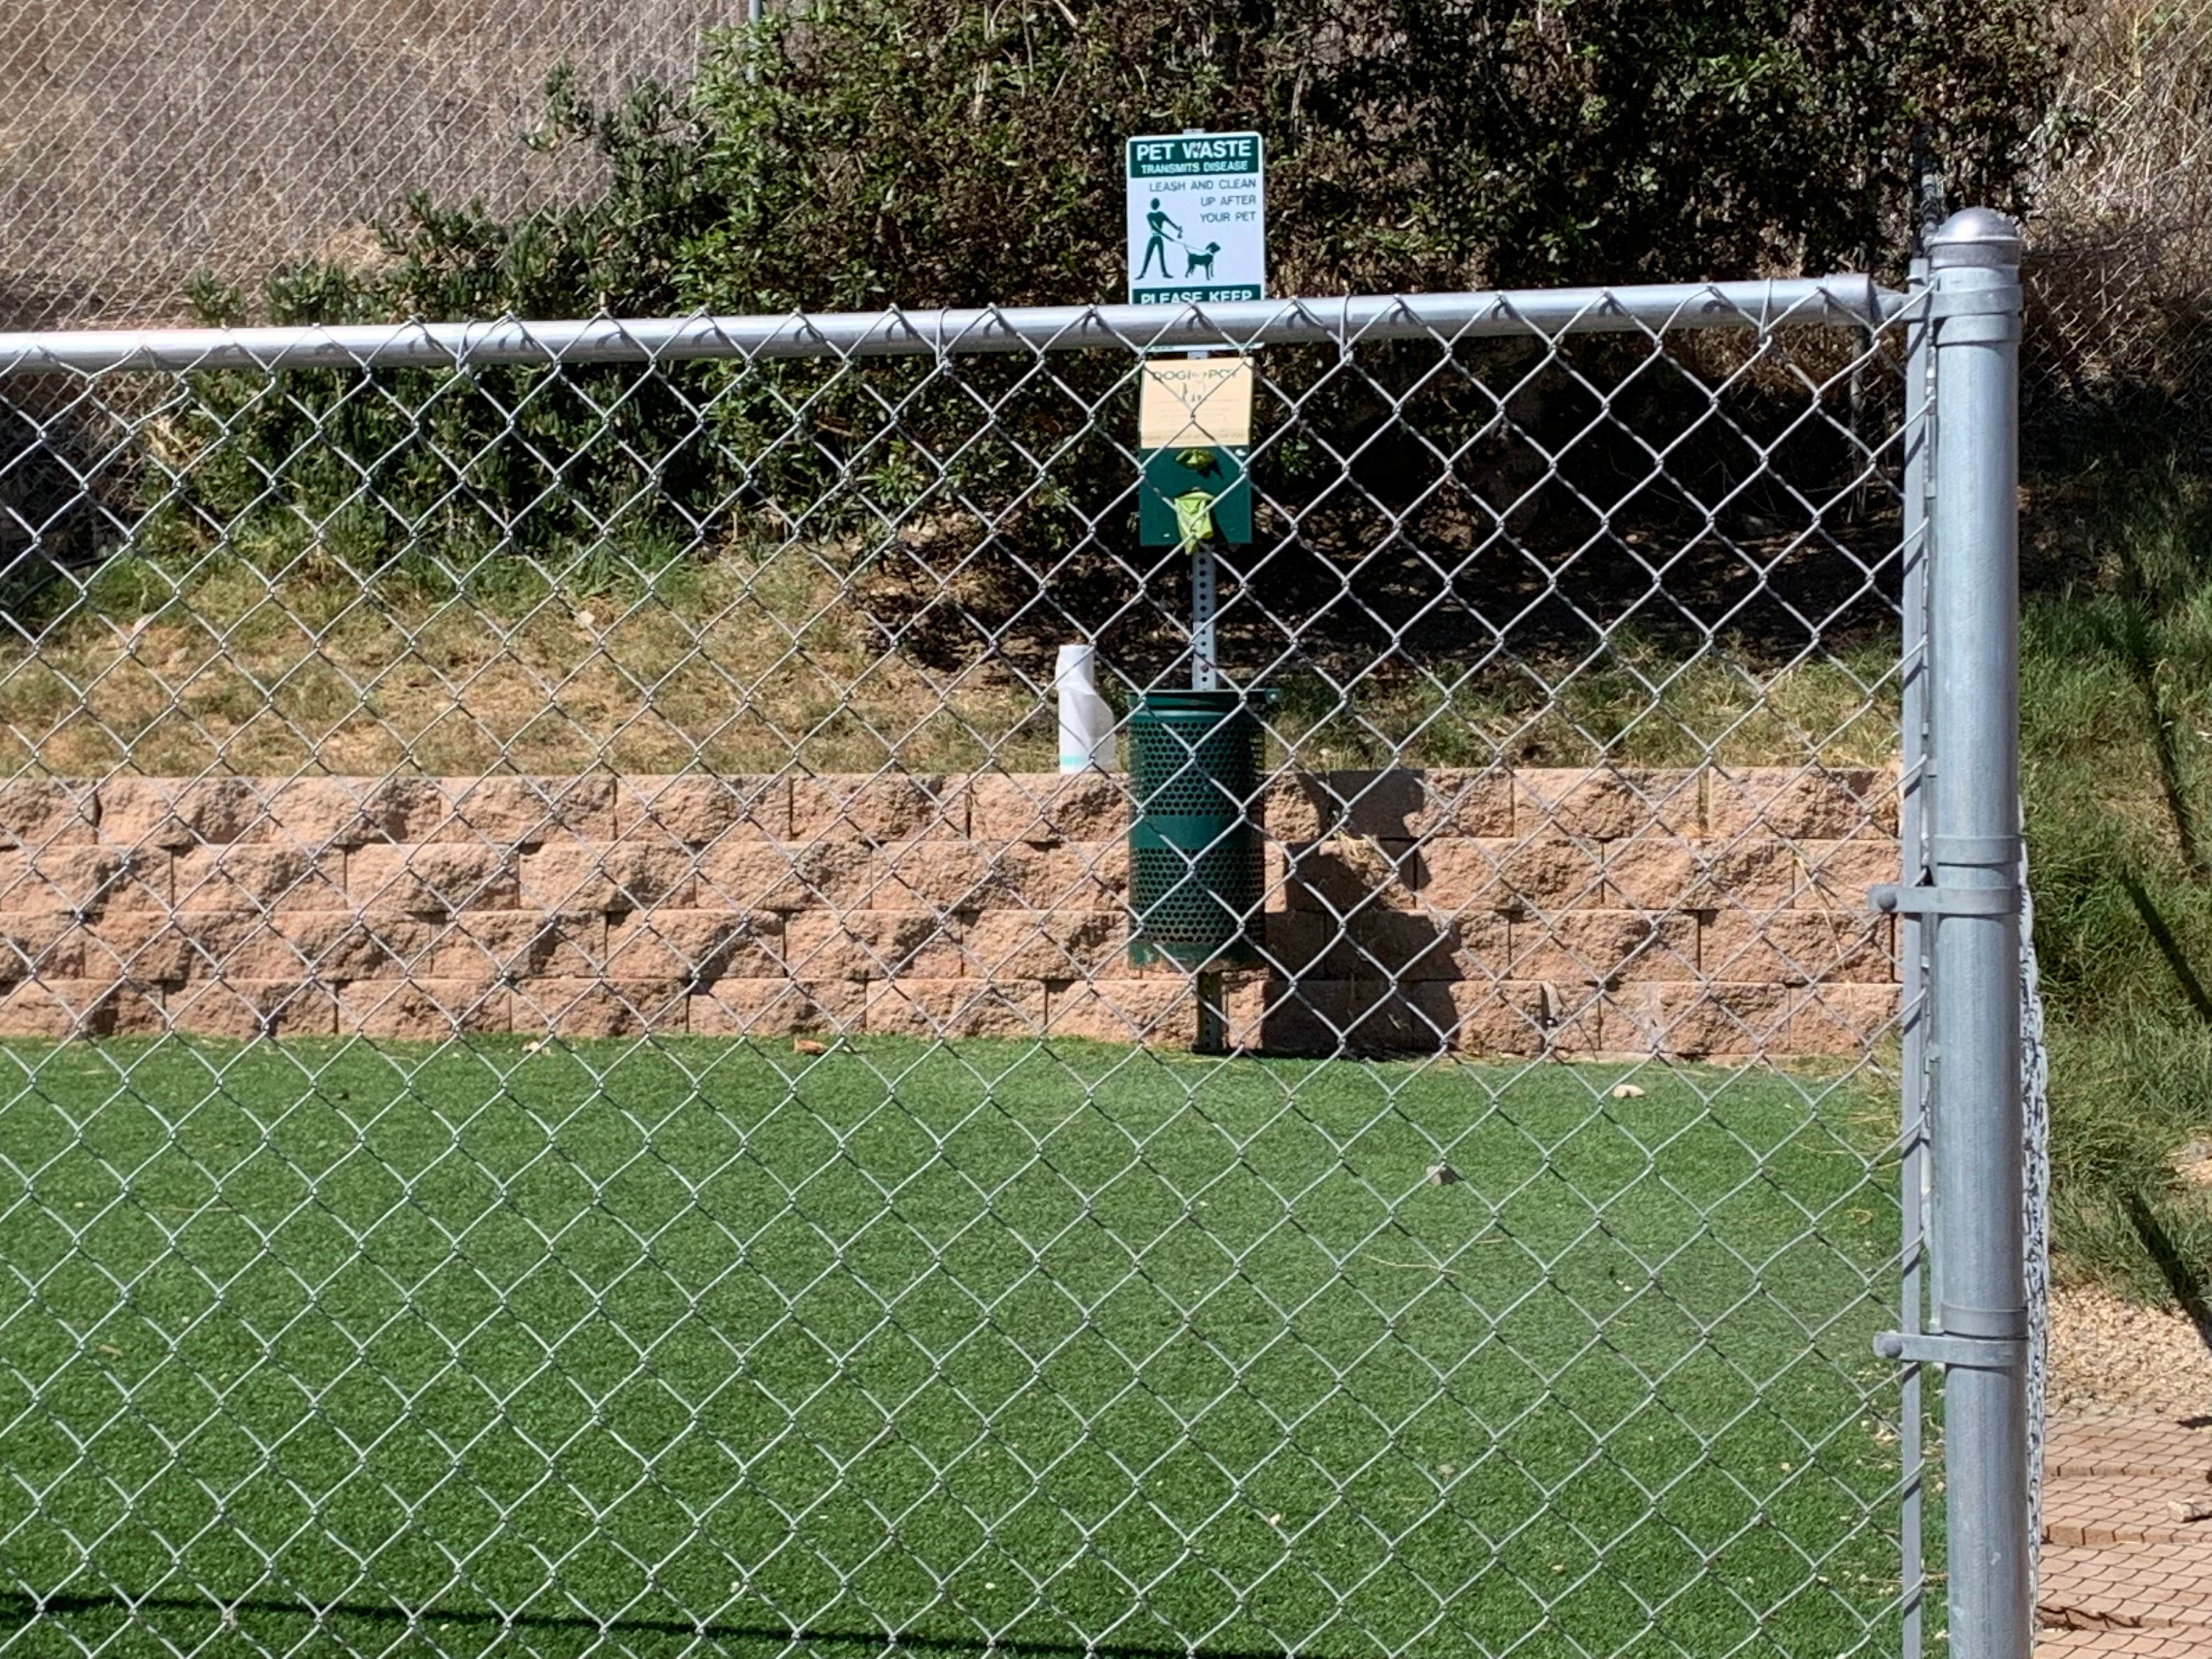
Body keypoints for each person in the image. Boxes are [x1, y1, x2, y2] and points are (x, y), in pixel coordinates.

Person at [1137, 198, 1182, 280]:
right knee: (1148, 256)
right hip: (1154, 238)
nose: (1154, 205)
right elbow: (1154, 228)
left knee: (1161, 256)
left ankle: (1164, 273)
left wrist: (1178, 229)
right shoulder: (1149, 215)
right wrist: (1168, 237)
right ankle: (1142, 273)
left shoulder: (1161, 215)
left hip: (1159, 239)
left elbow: (1171, 223)